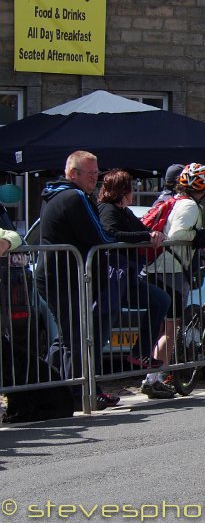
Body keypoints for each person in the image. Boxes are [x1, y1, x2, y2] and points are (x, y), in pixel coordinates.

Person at [36, 150, 120, 410]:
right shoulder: (74, 196)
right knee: (77, 338)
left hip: (59, 276)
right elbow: (100, 237)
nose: (95, 178)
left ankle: (51, 387)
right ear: (73, 174)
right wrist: (137, 238)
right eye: (90, 174)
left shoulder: (57, 194)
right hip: (65, 277)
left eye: (97, 173)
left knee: (66, 338)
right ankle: (80, 393)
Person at [96, 170, 175, 399]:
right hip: (112, 278)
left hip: (127, 277)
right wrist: (145, 237)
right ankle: (92, 388)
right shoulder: (108, 209)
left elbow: (142, 228)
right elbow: (111, 234)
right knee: (100, 333)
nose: (133, 192)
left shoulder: (124, 210)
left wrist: (152, 234)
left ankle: (140, 351)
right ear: (122, 190)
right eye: (130, 187)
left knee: (161, 299)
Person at [143, 163, 205, 391]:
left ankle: (152, 377)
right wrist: (198, 235)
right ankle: (155, 378)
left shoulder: (173, 201)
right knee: (170, 328)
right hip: (171, 270)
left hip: (158, 267)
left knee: (162, 327)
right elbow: (177, 235)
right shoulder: (191, 206)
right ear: (201, 188)